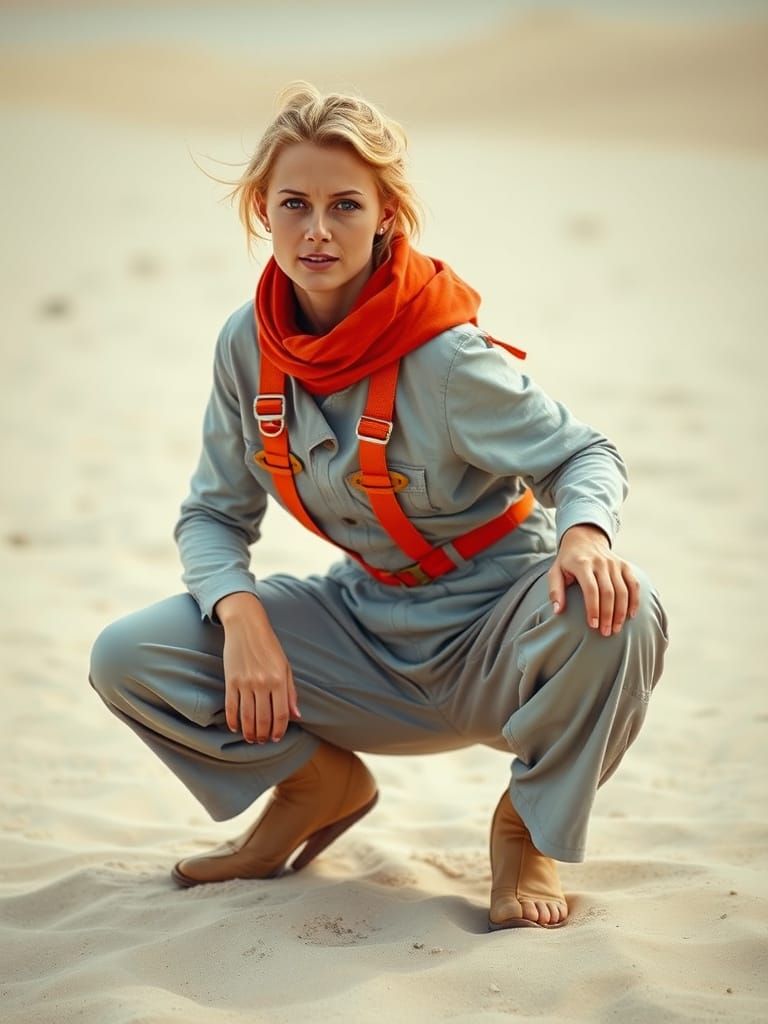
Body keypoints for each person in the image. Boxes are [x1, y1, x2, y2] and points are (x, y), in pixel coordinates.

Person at [88, 81, 669, 931]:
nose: (317, 230)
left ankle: (526, 830)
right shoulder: (246, 347)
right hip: (363, 625)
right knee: (129, 655)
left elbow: (584, 452)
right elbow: (214, 514)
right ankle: (314, 784)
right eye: (294, 204)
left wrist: (582, 535)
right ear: (263, 209)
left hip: (496, 629)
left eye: (344, 205)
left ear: (387, 215)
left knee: (622, 606)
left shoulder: (445, 358)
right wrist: (242, 616)